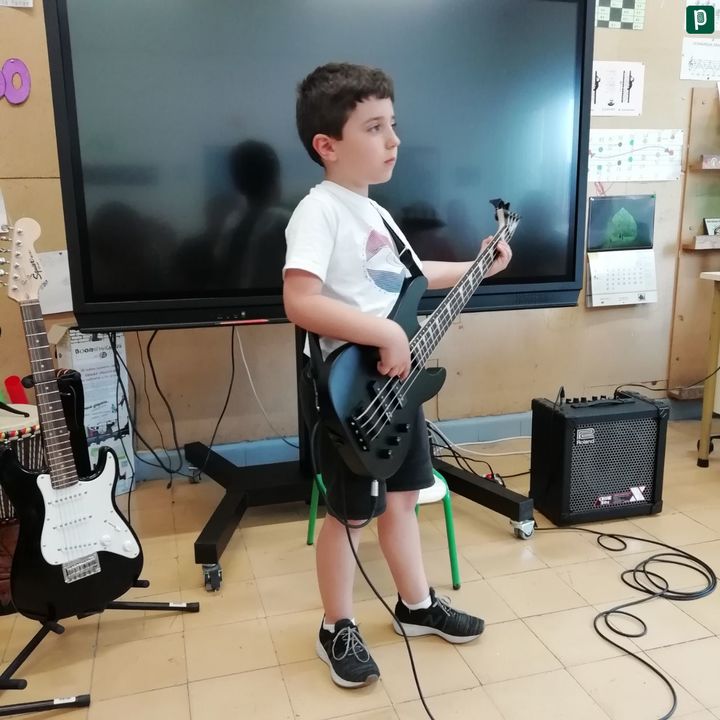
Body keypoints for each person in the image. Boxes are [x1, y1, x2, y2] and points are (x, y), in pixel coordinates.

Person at [283, 62, 512, 689]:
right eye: (375, 127)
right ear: (327, 145)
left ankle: (415, 605)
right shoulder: (318, 212)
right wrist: (384, 333)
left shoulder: (375, 213)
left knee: (405, 498)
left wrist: (479, 266)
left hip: (396, 388)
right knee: (351, 515)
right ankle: (336, 626)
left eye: (393, 125)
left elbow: (411, 277)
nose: (394, 140)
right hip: (352, 393)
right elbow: (299, 301)